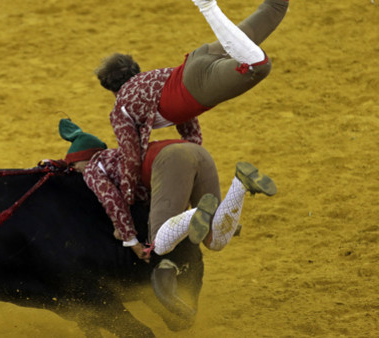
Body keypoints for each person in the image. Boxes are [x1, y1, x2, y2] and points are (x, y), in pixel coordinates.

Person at [95, 0, 289, 207]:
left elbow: (131, 158)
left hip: (197, 85)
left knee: (258, 66)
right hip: (196, 59)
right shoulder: (148, 80)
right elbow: (190, 130)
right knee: (274, 7)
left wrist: (128, 198)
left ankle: (207, 6)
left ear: (111, 89)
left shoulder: (121, 109)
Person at [58, 118, 276, 262]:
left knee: (160, 243)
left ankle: (197, 215)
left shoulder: (93, 169)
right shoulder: (120, 154)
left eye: (74, 165)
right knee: (215, 240)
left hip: (169, 162)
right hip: (198, 152)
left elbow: (113, 201)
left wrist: (131, 241)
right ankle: (240, 184)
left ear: (82, 160)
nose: (75, 171)